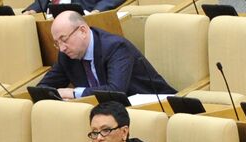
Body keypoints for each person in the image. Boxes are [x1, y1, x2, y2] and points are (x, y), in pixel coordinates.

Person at [41, 12, 175, 101]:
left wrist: (74, 94)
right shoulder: (66, 55)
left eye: (64, 39)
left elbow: (116, 91)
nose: (62, 48)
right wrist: (57, 98)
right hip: (109, 116)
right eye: (57, 43)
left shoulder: (115, 47)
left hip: (154, 105)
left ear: (82, 31)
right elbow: (42, 88)